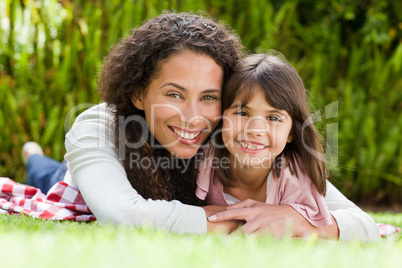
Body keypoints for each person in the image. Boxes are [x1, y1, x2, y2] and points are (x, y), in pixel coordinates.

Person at [23, 11, 380, 241]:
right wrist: (232, 219)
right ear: (136, 93)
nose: (194, 116)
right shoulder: (99, 125)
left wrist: (303, 221)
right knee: (45, 174)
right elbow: (123, 214)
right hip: (82, 181)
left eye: (209, 97)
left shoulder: (233, 136)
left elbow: (358, 221)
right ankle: (33, 155)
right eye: (174, 94)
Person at [196, 53, 333, 235]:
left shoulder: (295, 177)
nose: (255, 129)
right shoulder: (204, 159)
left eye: (273, 118)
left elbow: (318, 231)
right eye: (242, 113)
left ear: (291, 132)